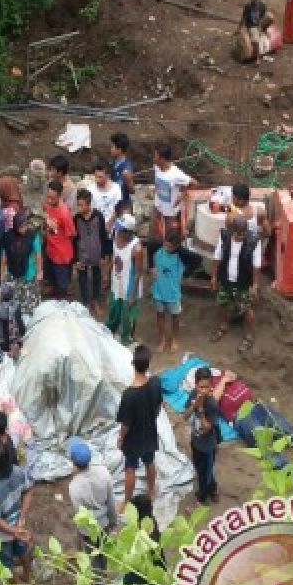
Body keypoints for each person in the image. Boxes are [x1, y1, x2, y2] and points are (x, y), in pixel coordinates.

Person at [208, 367, 293, 466]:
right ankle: (282, 468)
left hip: (255, 404)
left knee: (282, 425)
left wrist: (228, 375)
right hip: (240, 415)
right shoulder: (207, 388)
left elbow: (234, 375)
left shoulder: (220, 373)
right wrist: (223, 381)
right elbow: (213, 400)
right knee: (259, 438)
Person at [117, 344, 162, 511]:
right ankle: (151, 492)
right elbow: (158, 406)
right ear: (148, 364)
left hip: (133, 439)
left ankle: (126, 501)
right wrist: (151, 418)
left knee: (130, 468)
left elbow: (126, 424)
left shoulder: (129, 395)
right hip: (150, 432)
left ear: (133, 363)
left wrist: (121, 438)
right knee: (149, 462)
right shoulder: (156, 383)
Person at [0, 437, 33, 583]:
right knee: (23, 553)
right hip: (19, 526)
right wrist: (22, 518)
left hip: (3, 535)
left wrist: (14, 531)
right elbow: (28, 491)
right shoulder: (18, 472)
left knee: (6, 564)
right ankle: (27, 578)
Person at [210, 215, 261, 353]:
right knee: (221, 303)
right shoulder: (224, 237)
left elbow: (256, 266)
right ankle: (223, 326)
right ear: (232, 230)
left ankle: (249, 336)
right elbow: (217, 258)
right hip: (226, 279)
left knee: (247, 309)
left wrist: (255, 285)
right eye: (238, 234)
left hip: (243, 281)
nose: (241, 237)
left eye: (244, 234)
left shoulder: (254, 241)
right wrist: (214, 277)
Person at [106, 213, 144, 345]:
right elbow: (114, 256)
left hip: (130, 286)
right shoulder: (116, 237)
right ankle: (109, 334)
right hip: (117, 282)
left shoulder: (136, 248)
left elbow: (138, 273)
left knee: (128, 315)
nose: (117, 231)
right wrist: (108, 273)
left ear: (128, 232)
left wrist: (133, 295)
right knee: (113, 311)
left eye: (120, 230)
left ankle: (127, 339)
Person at [186, 367, 221, 505]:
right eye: (201, 387)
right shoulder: (193, 394)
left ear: (211, 386)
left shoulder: (212, 404)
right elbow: (184, 416)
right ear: (196, 385)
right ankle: (213, 490)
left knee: (204, 474)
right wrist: (193, 406)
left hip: (207, 446)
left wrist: (200, 410)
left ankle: (201, 498)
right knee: (200, 468)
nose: (203, 391)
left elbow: (206, 428)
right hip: (195, 441)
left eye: (207, 387)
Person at [151, 229, 184, 353]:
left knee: (175, 317)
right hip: (158, 291)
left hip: (173, 293)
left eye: (170, 246)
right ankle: (162, 339)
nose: (166, 248)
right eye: (165, 244)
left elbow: (182, 272)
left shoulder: (179, 258)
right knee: (160, 315)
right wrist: (151, 270)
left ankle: (175, 339)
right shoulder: (157, 253)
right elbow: (152, 267)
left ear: (176, 246)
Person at [73, 187, 105, 314]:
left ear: (89, 204)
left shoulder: (98, 216)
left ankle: (95, 300)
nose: (79, 208)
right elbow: (74, 239)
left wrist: (104, 255)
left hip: (96, 253)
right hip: (82, 254)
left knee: (97, 276)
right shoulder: (76, 218)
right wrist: (75, 259)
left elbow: (103, 235)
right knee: (82, 278)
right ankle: (86, 301)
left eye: (81, 205)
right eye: (78, 205)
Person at [4, 211, 42, 317]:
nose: (24, 228)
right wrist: (2, 273)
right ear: (15, 226)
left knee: (31, 301)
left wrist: (39, 271)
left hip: (29, 273)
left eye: (25, 225)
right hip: (13, 273)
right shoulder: (8, 236)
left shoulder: (33, 235)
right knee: (16, 300)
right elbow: (4, 255)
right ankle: (18, 320)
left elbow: (38, 255)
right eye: (21, 226)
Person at [151, 143, 193, 239]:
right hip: (157, 205)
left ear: (162, 159)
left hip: (170, 210)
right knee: (155, 232)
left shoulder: (176, 174)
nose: (153, 158)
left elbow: (193, 182)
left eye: (155, 156)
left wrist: (182, 195)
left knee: (170, 236)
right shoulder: (157, 167)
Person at [240, 0, 269, 64]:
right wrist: (240, 28)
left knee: (270, 18)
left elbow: (263, 16)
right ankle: (257, 58)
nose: (256, 1)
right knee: (256, 41)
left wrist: (262, 27)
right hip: (251, 25)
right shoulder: (248, 6)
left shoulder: (262, 6)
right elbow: (244, 18)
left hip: (259, 23)